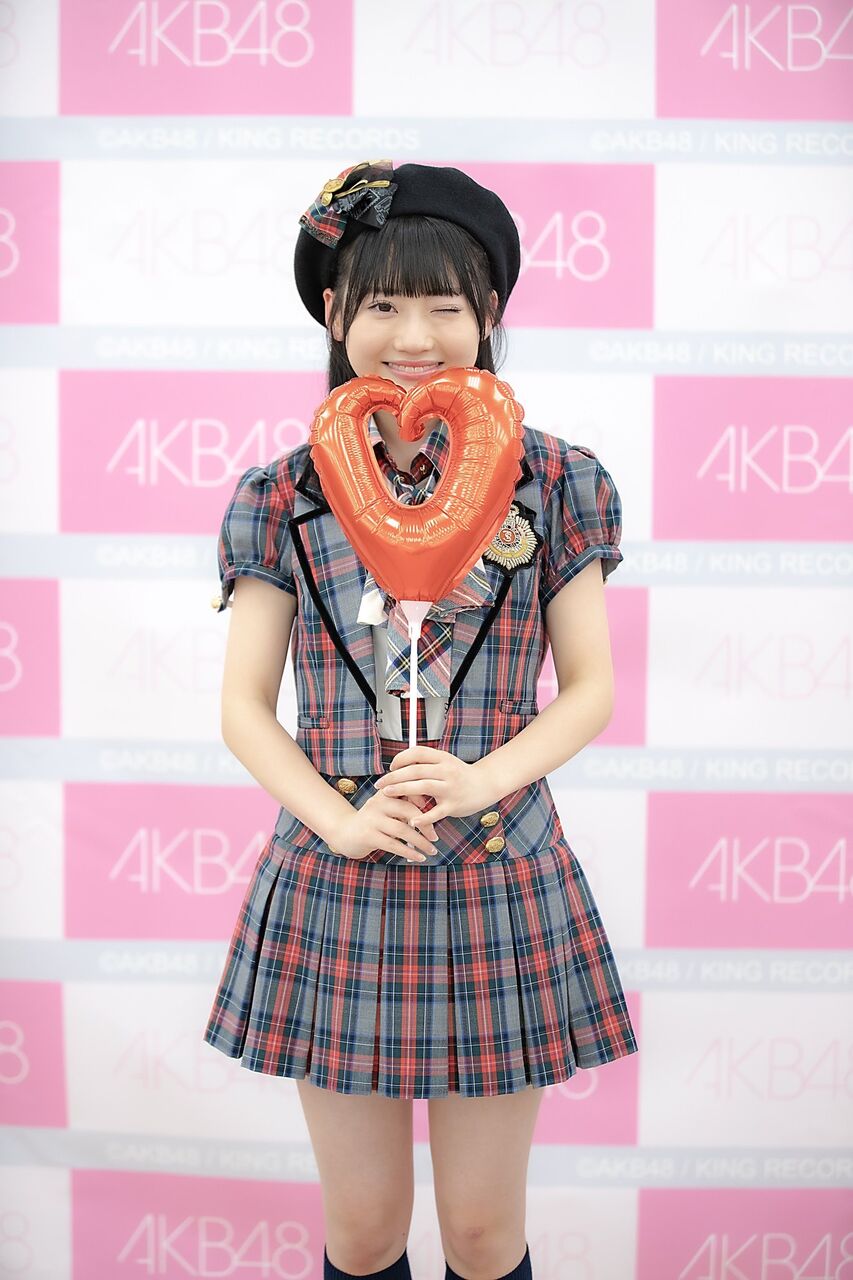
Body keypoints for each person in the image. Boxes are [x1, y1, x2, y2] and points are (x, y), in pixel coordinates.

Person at [203, 160, 638, 1280]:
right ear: (333, 313)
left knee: (484, 1233)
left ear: (487, 311)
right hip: (339, 868)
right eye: (382, 304)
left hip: (497, 864)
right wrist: (342, 822)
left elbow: (591, 686)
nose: (414, 336)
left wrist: (480, 779)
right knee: (362, 1231)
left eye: (443, 304)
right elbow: (245, 707)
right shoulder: (282, 494)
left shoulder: (556, 480)